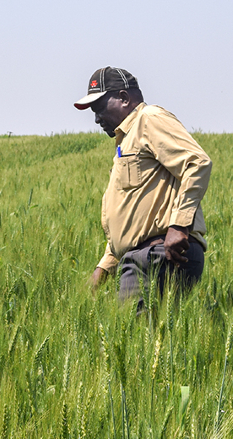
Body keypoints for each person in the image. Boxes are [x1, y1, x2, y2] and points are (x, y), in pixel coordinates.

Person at [74, 67, 212, 309]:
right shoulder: (126, 141)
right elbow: (134, 215)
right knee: (145, 342)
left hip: (157, 254)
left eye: (99, 108)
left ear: (124, 98)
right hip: (144, 255)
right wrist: (104, 267)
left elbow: (196, 162)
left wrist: (179, 224)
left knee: (135, 340)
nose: (96, 118)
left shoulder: (149, 119)